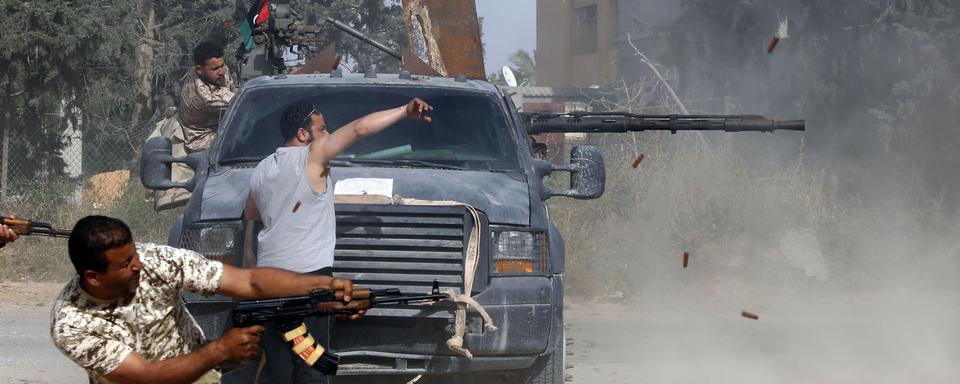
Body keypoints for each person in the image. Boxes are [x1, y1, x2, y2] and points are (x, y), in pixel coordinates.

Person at [243, 98, 433, 383]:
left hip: (269, 281)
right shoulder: (313, 156)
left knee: (278, 366)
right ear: (303, 134)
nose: (328, 135)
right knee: (310, 362)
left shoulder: (262, 168)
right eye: (322, 129)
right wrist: (404, 111)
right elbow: (358, 129)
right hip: (308, 282)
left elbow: (251, 213)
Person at [50, 215, 363, 384]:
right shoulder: (72, 323)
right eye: (125, 264)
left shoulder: (157, 260)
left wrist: (324, 285)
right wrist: (220, 349)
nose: (138, 266)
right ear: (93, 277)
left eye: (134, 254)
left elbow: (249, 281)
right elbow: (144, 378)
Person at [179, 41, 237, 153]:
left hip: (220, 125)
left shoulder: (213, 73)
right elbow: (241, 102)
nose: (222, 72)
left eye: (222, 65)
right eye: (215, 69)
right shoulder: (204, 97)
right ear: (199, 70)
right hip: (203, 139)